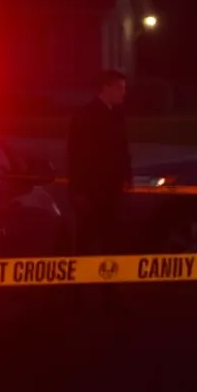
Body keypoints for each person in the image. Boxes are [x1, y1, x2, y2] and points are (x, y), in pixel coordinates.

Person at [66, 69, 132, 256]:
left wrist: (126, 175)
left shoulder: (117, 117)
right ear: (106, 87)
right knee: (85, 241)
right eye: (120, 88)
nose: (123, 93)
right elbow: (76, 154)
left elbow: (122, 150)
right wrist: (78, 189)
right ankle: (81, 283)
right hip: (91, 192)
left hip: (111, 191)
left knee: (110, 241)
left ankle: (107, 283)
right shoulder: (85, 116)